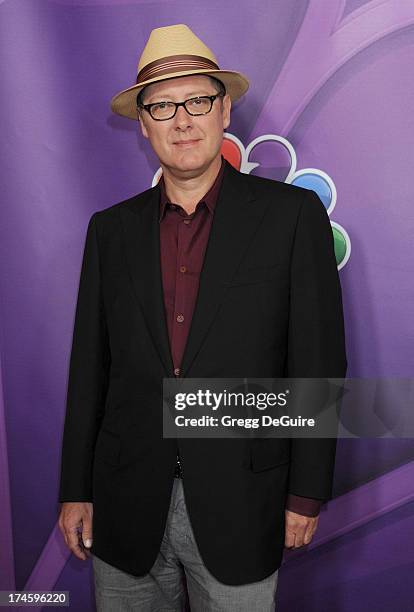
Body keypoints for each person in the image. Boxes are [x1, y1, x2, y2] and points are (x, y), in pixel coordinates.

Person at [58, 23, 347, 611]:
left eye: (197, 100)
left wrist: (306, 493)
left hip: (245, 501)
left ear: (224, 110)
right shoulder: (109, 232)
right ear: (143, 124)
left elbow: (316, 361)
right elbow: (90, 368)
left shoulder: (292, 218)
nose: (181, 120)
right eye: (162, 106)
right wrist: (76, 490)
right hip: (124, 504)